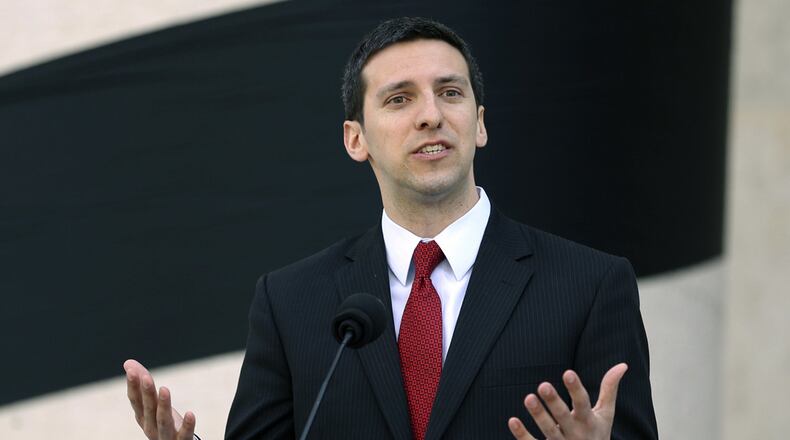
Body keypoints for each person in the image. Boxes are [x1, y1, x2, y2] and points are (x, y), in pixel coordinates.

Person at [124, 17, 658, 440]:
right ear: (355, 140)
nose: (431, 115)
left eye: (450, 92)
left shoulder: (589, 286)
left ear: (480, 123)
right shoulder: (291, 302)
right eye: (400, 99)